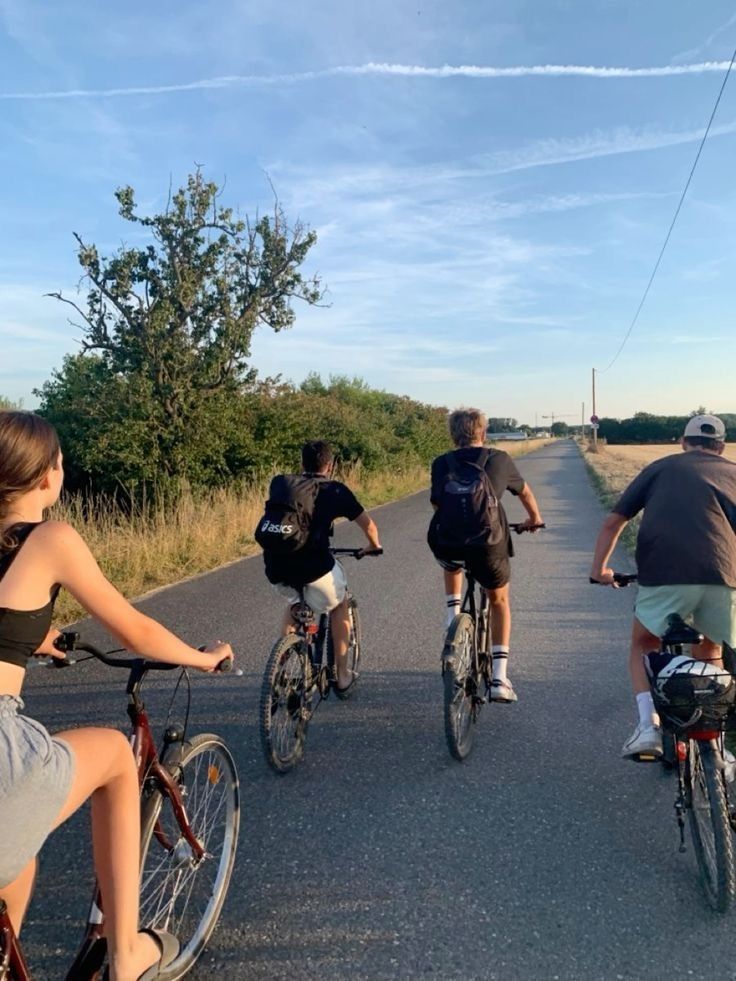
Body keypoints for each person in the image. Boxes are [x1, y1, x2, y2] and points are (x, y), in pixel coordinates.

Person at [0, 411, 233, 981]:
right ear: (49, 477)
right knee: (112, 754)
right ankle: (127, 956)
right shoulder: (51, 538)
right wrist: (205, 657)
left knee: (20, 852)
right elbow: (134, 630)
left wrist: (33, 635)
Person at [590, 414, 736, 760]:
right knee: (711, 649)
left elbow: (614, 521)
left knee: (643, 644)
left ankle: (648, 727)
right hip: (723, 575)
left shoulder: (661, 468)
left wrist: (599, 570)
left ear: (683, 442)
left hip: (665, 572)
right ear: (721, 446)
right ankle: (714, 744)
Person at [428, 408, 544, 703]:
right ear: (484, 431)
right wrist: (534, 519)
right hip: (489, 545)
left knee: (450, 557)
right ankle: (499, 679)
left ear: (453, 434)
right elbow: (526, 494)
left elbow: (437, 505)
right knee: (498, 599)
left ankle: (452, 612)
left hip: (448, 545)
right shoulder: (499, 459)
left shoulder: (441, 463)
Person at [262, 440, 381, 693]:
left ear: (302, 462)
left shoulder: (282, 484)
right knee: (339, 604)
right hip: (314, 568)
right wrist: (373, 546)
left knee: (295, 604)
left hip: (276, 569)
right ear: (330, 465)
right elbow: (369, 526)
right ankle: (343, 674)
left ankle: (280, 668)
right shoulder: (335, 490)